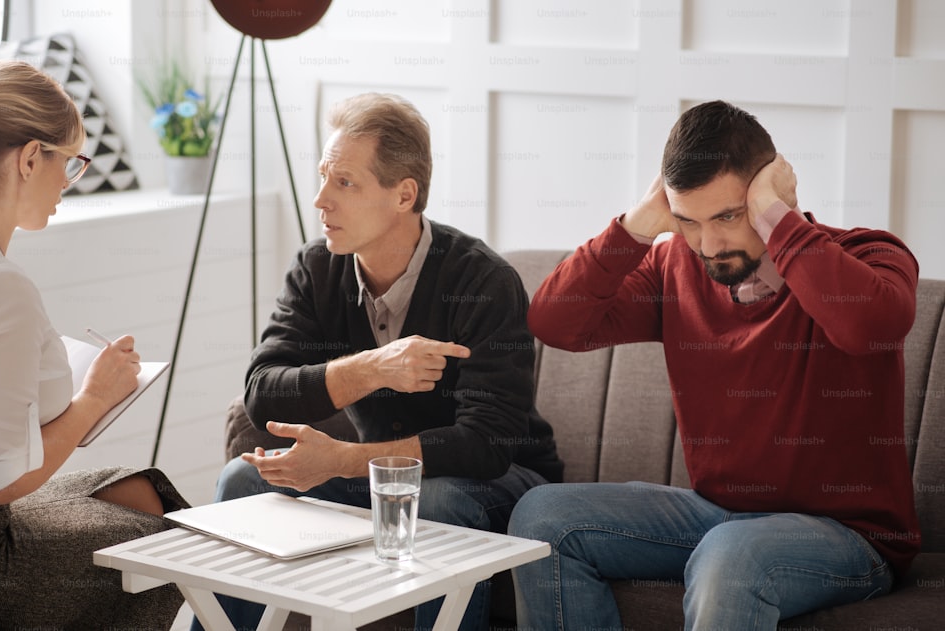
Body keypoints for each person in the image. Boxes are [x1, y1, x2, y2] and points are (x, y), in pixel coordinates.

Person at [509, 100, 922, 630]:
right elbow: (555, 322)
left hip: (849, 537)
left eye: (728, 216)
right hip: (718, 517)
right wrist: (636, 226)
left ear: (767, 194)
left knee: (733, 553)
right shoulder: (676, 267)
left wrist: (779, 219)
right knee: (543, 518)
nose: (709, 244)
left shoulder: (869, 255)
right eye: (688, 221)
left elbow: (868, 328)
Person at [193, 92, 562, 631]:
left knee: (434, 497)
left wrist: (343, 459)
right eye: (322, 176)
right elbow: (262, 391)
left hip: (502, 482)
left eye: (344, 182)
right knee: (242, 482)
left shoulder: (482, 281)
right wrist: (374, 368)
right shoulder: (317, 268)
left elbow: (487, 444)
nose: (320, 200)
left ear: (403, 195)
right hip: (379, 475)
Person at [0, 59, 189, 630]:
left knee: (139, 489)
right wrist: (94, 399)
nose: (69, 180)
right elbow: (2, 479)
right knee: (172, 547)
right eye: (70, 162)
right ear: (31, 159)